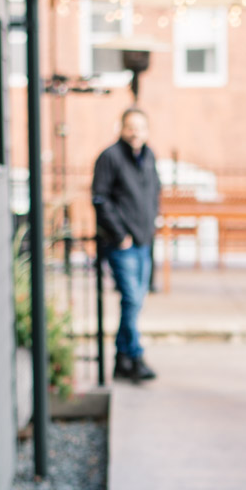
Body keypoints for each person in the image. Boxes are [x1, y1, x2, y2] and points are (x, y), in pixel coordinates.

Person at [92, 107, 161, 383]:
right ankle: (135, 356)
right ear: (121, 128)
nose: (136, 133)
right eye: (131, 127)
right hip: (122, 243)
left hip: (144, 240)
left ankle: (122, 361)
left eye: (140, 128)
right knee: (132, 298)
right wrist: (120, 235)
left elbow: (154, 190)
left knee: (134, 302)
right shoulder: (109, 157)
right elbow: (100, 199)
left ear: (147, 130)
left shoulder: (148, 155)